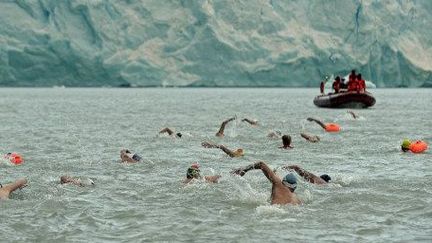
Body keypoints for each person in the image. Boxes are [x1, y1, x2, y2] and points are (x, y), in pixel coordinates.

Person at [231, 161, 301, 205]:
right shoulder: (297, 200)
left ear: (283, 182)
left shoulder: (279, 185)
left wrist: (244, 170)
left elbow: (261, 164)